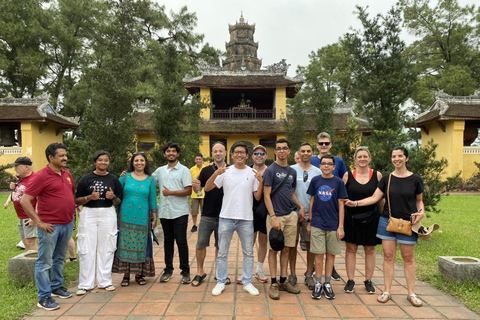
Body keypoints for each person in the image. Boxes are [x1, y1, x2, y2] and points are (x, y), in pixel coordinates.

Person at [345, 146, 425, 307]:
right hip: (387, 221)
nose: (397, 159)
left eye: (400, 156)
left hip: (408, 223)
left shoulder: (415, 179)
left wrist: (421, 212)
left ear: (406, 158)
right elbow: (375, 198)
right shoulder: (387, 179)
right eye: (394, 156)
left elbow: (419, 201)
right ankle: (387, 291)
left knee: (408, 258)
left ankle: (411, 293)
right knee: (388, 257)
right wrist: (355, 203)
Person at [21, 143, 76, 311]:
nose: (65, 158)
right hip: (50, 226)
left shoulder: (67, 174)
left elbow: (70, 194)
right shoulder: (41, 176)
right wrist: (39, 222)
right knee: (45, 261)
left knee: (59, 258)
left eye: (65, 155)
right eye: (61, 156)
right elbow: (25, 200)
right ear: (51, 158)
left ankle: (56, 286)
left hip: (67, 223)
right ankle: (44, 297)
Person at [206, 141, 263, 296]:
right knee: (222, 252)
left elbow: (257, 197)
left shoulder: (252, 173)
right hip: (226, 217)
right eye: (236, 152)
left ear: (247, 156)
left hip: (246, 218)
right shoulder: (225, 171)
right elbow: (207, 188)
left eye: (242, 152)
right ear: (232, 155)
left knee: (248, 253)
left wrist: (261, 182)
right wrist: (215, 173)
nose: (239, 155)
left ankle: (247, 282)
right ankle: (220, 281)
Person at [74, 151, 123, 295]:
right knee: (86, 248)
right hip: (88, 213)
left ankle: (105, 281)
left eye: (106, 160)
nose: (103, 162)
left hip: (107, 213)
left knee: (107, 247)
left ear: (109, 163)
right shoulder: (86, 179)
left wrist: (112, 196)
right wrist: (89, 197)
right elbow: (77, 200)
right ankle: (85, 284)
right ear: (95, 162)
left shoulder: (113, 179)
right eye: (100, 160)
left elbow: (119, 201)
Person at [264, 138, 305, 300]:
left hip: (290, 216)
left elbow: (291, 193)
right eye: (278, 148)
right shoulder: (270, 170)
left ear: (289, 151)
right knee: (273, 249)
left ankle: (283, 280)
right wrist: (273, 217)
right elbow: (266, 196)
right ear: (275, 151)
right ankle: (273, 282)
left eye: (284, 148)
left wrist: (300, 207)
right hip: (275, 216)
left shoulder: (292, 172)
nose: (281, 151)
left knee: (287, 249)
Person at [342, 147, 383, 294]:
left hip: (371, 217)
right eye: (359, 157)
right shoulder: (347, 175)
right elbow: (341, 199)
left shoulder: (377, 175)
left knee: (370, 249)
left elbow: (381, 199)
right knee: (351, 249)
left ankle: (368, 280)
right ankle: (350, 280)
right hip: (351, 217)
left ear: (370, 158)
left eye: (365, 156)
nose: (362, 159)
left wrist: (383, 215)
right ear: (355, 159)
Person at [307, 154, 348, 300]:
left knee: (331, 254)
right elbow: (311, 201)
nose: (326, 166)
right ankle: (318, 282)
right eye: (323, 163)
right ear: (320, 165)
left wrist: (341, 226)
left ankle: (328, 283)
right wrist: (310, 222)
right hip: (317, 223)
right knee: (318, 254)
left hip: (333, 224)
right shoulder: (315, 180)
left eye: (329, 164)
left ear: (334, 166)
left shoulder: (338, 182)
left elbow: (341, 204)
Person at [113, 152, 157, 287]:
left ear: (145, 163)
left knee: (140, 245)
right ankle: (126, 275)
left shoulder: (150, 180)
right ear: (132, 163)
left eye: (142, 160)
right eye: (136, 160)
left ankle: (139, 275)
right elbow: (115, 193)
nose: (139, 163)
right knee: (124, 244)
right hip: (125, 217)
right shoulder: (124, 178)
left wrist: (154, 217)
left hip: (142, 218)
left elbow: (152, 200)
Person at [191, 142, 230, 287]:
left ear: (225, 153)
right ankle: (200, 272)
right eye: (215, 151)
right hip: (207, 214)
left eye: (220, 151)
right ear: (212, 153)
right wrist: (196, 188)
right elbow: (200, 191)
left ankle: (219, 273)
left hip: (225, 215)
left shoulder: (231, 170)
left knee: (221, 246)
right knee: (201, 244)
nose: (218, 153)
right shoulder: (206, 170)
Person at [153, 142, 192, 284]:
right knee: (168, 241)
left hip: (180, 212)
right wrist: (129, 174)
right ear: (165, 154)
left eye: (173, 151)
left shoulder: (184, 170)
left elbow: (189, 190)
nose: (171, 153)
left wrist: (171, 193)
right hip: (164, 211)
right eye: (168, 151)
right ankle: (168, 269)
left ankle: (185, 271)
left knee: (181, 241)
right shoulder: (160, 170)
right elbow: (147, 180)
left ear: (178, 154)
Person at [310, 132, 346, 281]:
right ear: (317, 145)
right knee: (315, 245)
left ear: (330, 144)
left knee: (331, 248)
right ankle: (314, 269)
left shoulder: (338, 161)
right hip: (315, 204)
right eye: (321, 143)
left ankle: (331, 272)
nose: (323, 146)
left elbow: (344, 178)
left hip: (333, 209)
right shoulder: (312, 160)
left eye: (326, 143)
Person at [290, 143, 322, 290]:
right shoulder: (291, 170)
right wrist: (299, 207)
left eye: (308, 151)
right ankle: (292, 274)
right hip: (293, 213)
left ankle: (309, 274)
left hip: (311, 216)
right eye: (302, 151)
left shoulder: (318, 172)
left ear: (312, 153)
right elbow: (289, 192)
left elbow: (318, 195)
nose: (305, 153)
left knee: (310, 246)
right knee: (291, 245)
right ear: (299, 153)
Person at [9, 157, 38, 251]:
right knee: (25, 241)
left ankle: (35, 264)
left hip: (29, 216)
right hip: (20, 216)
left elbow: (40, 200)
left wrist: (34, 218)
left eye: (18, 166)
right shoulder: (21, 179)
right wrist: (14, 187)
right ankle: (29, 262)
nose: (15, 169)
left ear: (27, 167)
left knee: (31, 242)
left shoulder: (35, 180)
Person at [190, 153, 205, 232]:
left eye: (200, 159)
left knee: (204, 211)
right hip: (194, 194)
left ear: (202, 160)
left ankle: (202, 225)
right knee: (194, 211)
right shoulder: (192, 169)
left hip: (204, 194)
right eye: (197, 159)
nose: (198, 161)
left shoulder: (206, 168)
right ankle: (194, 225)